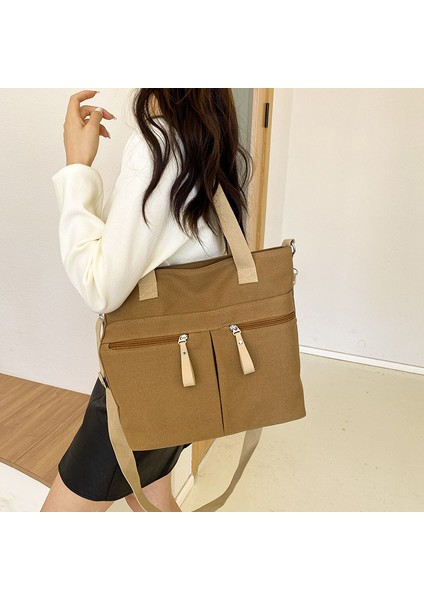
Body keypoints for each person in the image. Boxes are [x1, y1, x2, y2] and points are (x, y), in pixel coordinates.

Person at [41, 88, 253, 512]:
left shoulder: (157, 144)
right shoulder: (208, 137)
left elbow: (100, 286)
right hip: (190, 374)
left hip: (145, 382)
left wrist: (77, 167)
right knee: (153, 502)